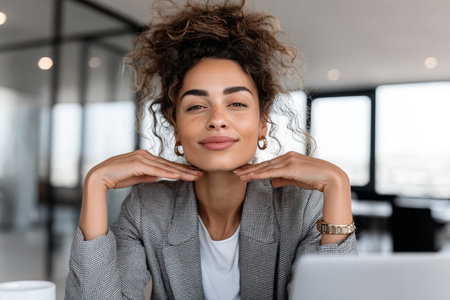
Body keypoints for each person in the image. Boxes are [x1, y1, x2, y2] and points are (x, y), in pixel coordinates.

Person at [65, 0, 357, 299]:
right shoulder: (144, 209)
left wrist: (337, 185)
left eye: (237, 104)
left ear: (262, 124)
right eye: (196, 106)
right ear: (176, 127)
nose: (217, 119)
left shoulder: (302, 208)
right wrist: (96, 183)